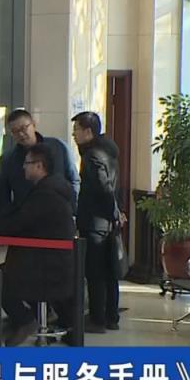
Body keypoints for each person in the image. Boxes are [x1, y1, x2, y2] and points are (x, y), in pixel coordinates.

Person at [0, 144, 76, 346]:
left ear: (39, 166)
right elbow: (18, 212)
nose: (23, 167)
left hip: (47, 268)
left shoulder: (45, 194)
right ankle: (40, 317)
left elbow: (19, 222)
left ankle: (25, 321)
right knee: (6, 272)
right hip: (55, 264)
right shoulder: (53, 189)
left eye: (27, 163)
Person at [71, 111, 125, 333]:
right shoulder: (109, 151)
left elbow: (104, 188)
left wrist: (114, 213)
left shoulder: (92, 156)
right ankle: (112, 317)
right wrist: (117, 213)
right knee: (110, 272)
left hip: (95, 222)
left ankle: (97, 319)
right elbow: (115, 187)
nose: (74, 135)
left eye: (76, 130)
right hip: (108, 222)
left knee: (95, 273)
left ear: (88, 131)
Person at [0, 109, 79, 215]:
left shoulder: (58, 147)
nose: (21, 134)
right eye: (15, 131)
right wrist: (11, 215)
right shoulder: (8, 159)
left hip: (59, 214)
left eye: (24, 128)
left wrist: (71, 208)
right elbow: (0, 193)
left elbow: (74, 179)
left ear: (33, 125)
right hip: (25, 217)